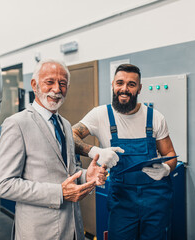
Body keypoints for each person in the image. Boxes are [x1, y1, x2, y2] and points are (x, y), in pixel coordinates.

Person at [0, 59, 108, 240]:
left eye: (62, 84)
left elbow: (67, 172)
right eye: (50, 82)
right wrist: (59, 193)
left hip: (72, 229)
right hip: (39, 232)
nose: (57, 89)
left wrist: (87, 175)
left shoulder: (65, 125)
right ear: (34, 85)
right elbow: (4, 185)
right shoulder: (17, 124)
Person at [72, 64, 177, 240]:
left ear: (140, 88)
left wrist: (166, 169)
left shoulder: (155, 118)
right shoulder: (100, 115)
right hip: (122, 201)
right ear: (112, 84)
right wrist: (94, 151)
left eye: (131, 84)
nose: (124, 89)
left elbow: (171, 155)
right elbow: (70, 135)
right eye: (120, 83)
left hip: (156, 201)